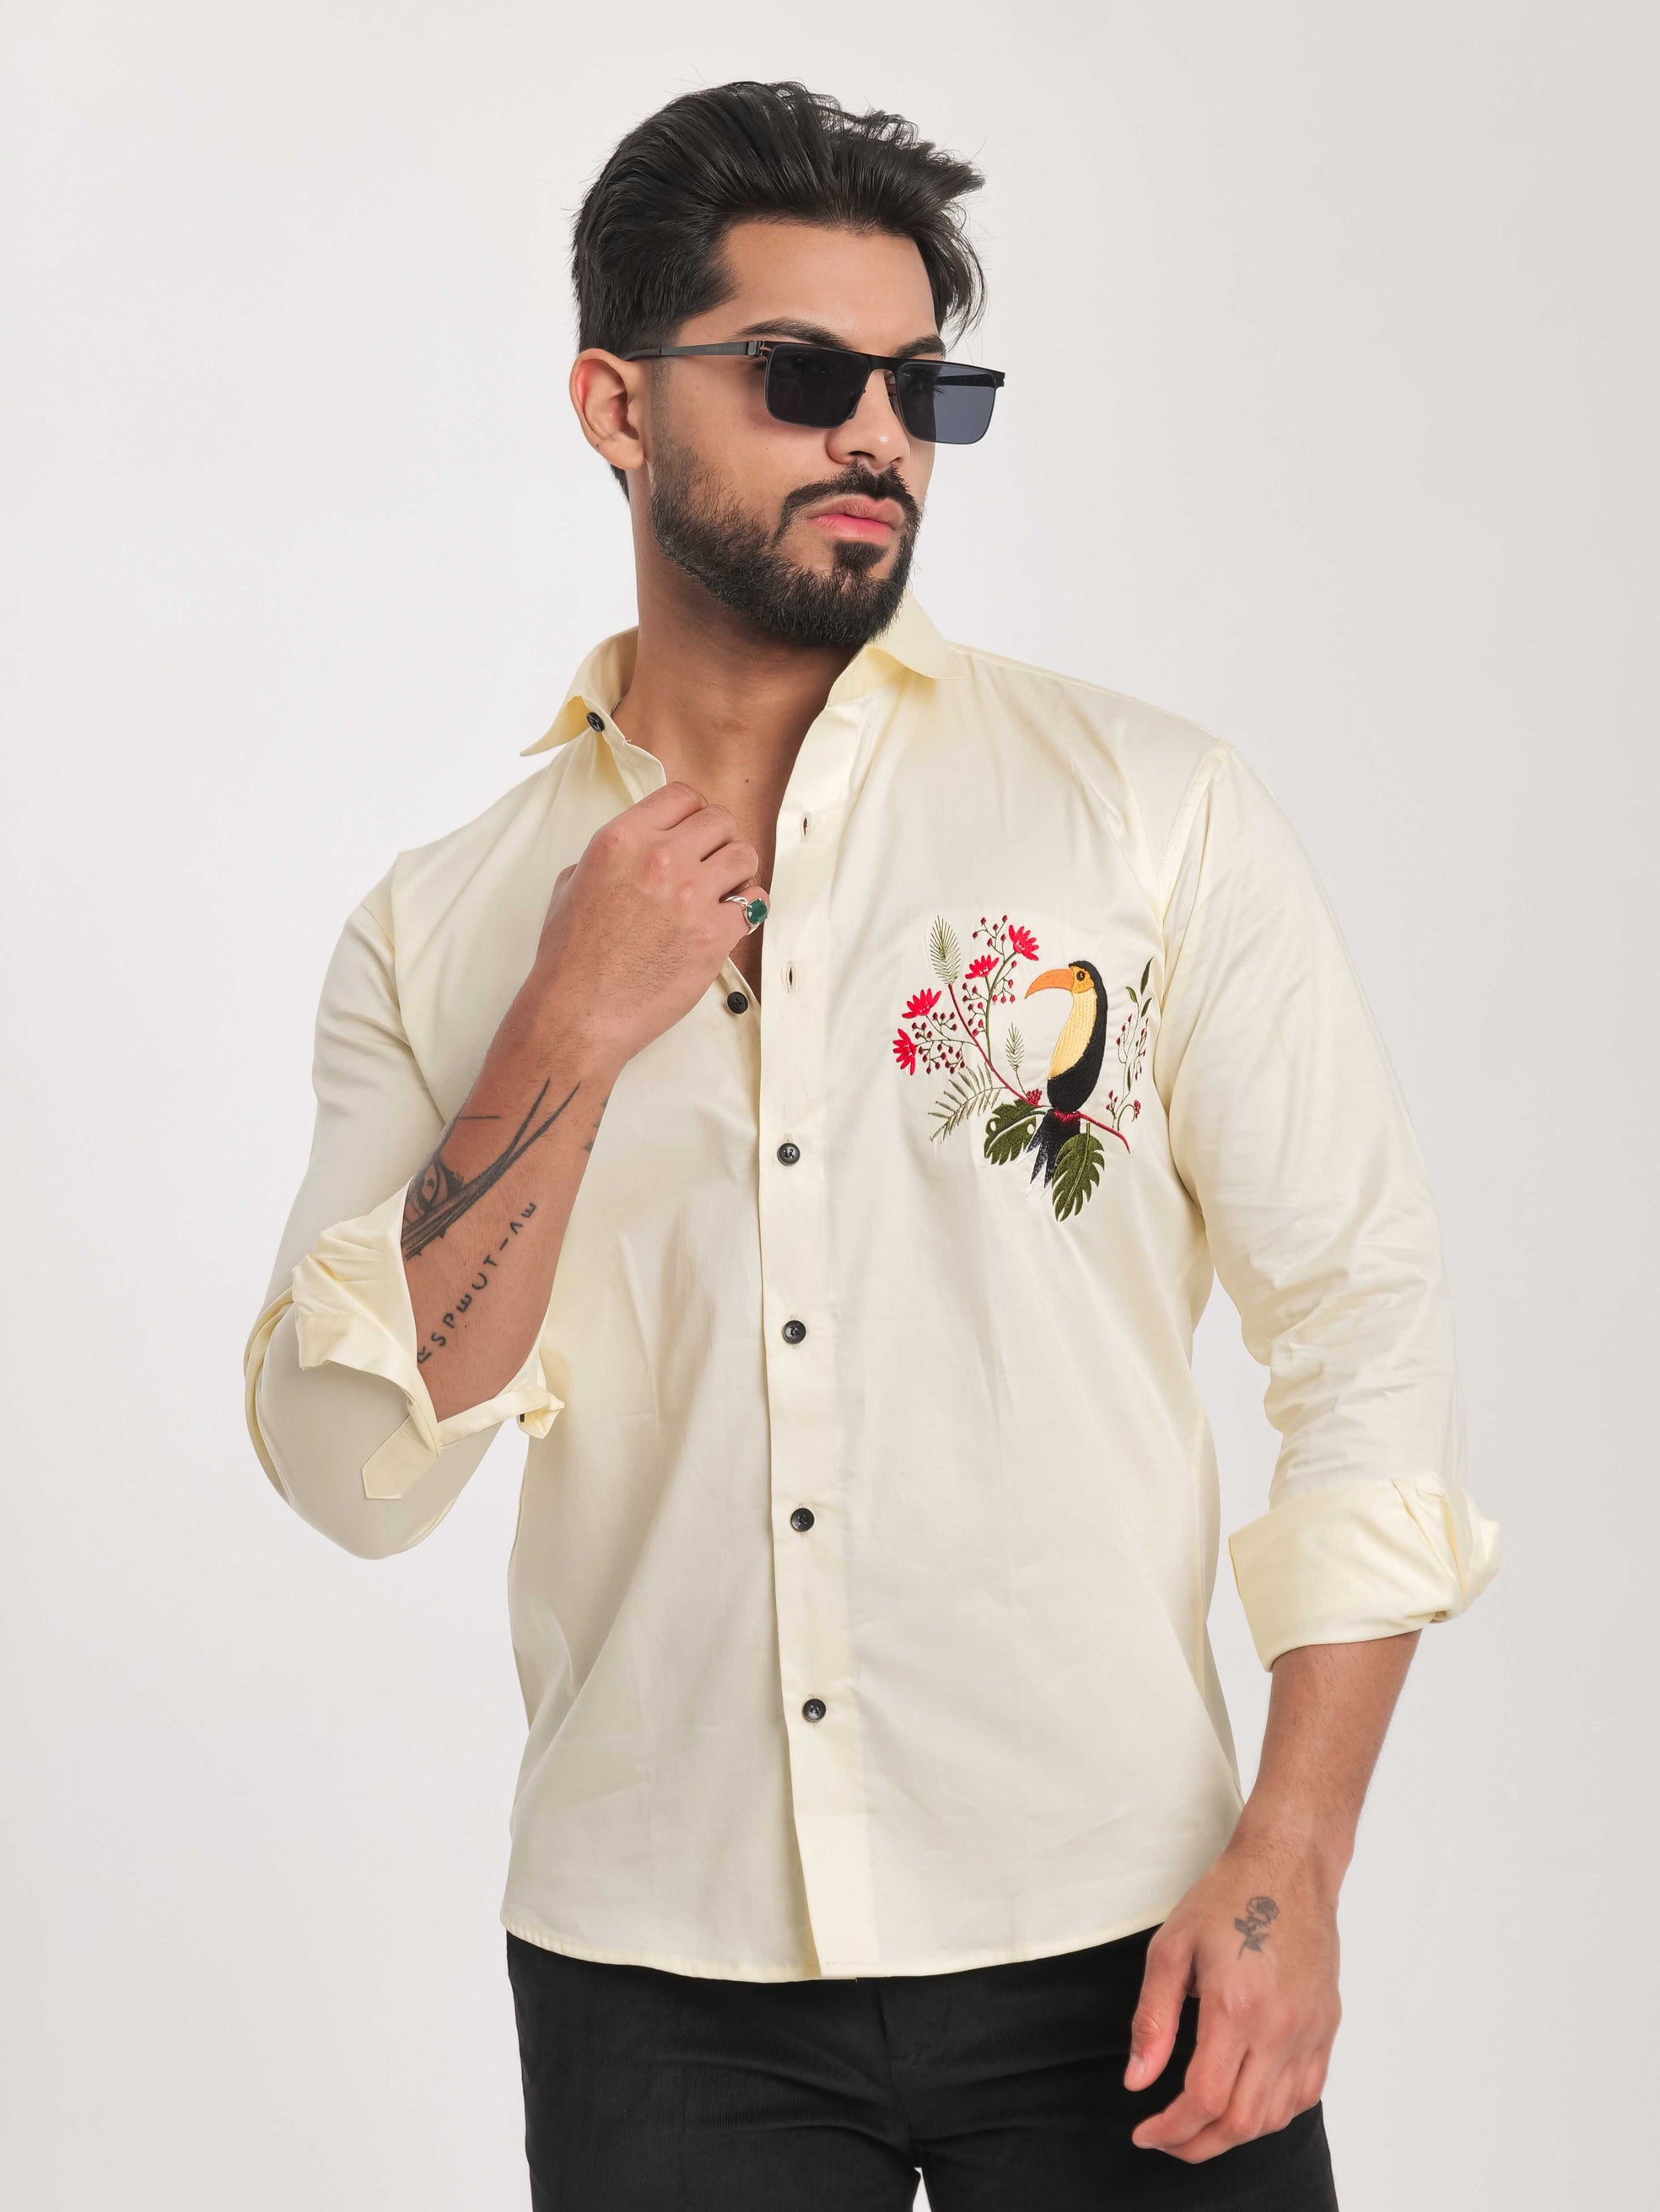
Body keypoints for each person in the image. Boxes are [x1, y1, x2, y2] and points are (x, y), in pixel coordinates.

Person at [243, 78, 1501, 2211]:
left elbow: (1362, 1326)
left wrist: (1293, 1857)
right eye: (804, 377)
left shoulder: (1147, 813)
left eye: (925, 388)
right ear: (615, 406)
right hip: (660, 1975)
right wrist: (567, 1023)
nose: (881, 439)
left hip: (1132, 1931)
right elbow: (356, 1468)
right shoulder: (447, 926)